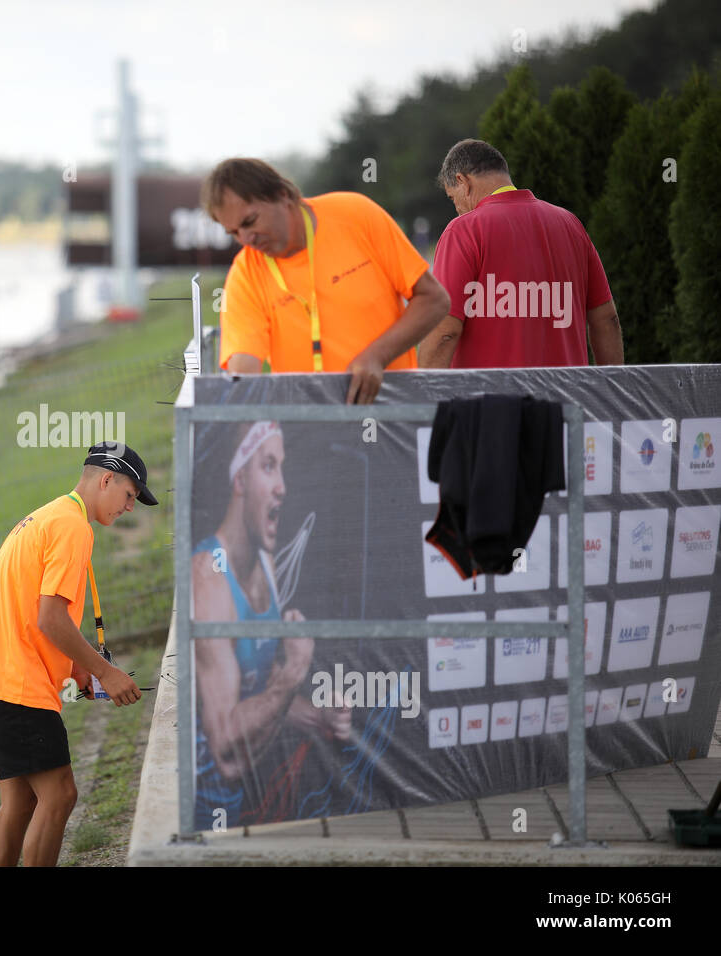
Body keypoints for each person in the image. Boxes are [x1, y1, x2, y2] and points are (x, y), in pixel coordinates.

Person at [0, 441, 157, 866]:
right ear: (107, 479)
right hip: (15, 684)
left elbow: (32, 611)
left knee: (20, 804)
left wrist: (74, 668)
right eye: (129, 495)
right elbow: (51, 618)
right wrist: (104, 671)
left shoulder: (47, 516)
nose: (130, 508)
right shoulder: (72, 527)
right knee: (61, 793)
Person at [190, 421, 350, 830]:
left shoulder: (264, 563)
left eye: (282, 467)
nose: (282, 486)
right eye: (268, 466)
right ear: (239, 478)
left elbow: (259, 696)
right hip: (204, 811)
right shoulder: (209, 578)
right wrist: (295, 670)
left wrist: (318, 718)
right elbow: (226, 750)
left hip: (245, 804)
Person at [202, 158, 450, 404]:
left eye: (250, 221)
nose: (247, 238)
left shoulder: (356, 215)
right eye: (233, 232)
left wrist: (377, 356)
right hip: (307, 429)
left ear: (283, 195)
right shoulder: (244, 273)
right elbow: (243, 367)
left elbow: (434, 300)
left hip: (390, 413)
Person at [419, 138, 624, 368]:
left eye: (452, 197)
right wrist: (608, 393)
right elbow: (607, 320)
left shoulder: (463, 231)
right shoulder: (571, 225)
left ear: (463, 182)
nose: (456, 209)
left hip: (488, 399)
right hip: (566, 398)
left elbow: (444, 333)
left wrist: (424, 397)